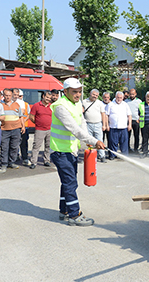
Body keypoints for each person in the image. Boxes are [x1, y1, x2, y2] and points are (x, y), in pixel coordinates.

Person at [50, 78, 105, 226]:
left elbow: (82, 123)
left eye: (80, 91)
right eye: (74, 91)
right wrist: (95, 141)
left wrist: (88, 140)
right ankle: (75, 215)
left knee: (67, 182)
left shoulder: (77, 103)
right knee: (70, 182)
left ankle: (64, 211)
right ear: (65, 91)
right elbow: (74, 129)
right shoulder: (60, 107)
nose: (78, 94)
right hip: (60, 151)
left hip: (70, 151)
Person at [0, 88, 24, 171]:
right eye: (6, 95)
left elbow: (21, 117)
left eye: (9, 95)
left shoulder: (16, 104)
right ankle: (4, 163)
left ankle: (11, 162)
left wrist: (23, 126)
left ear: (12, 96)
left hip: (16, 129)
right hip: (4, 129)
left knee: (14, 147)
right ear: (3, 96)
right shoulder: (0, 105)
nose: (8, 97)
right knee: (4, 147)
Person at [82, 89, 107, 163]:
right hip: (88, 124)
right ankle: (91, 155)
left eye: (96, 95)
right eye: (93, 95)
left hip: (98, 124)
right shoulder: (84, 102)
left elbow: (103, 114)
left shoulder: (99, 103)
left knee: (99, 140)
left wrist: (104, 125)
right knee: (89, 141)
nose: (95, 96)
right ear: (90, 93)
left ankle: (102, 156)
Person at [29, 91, 53, 169]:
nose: (48, 99)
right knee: (36, 146)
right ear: (43, 96)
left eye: (49, 98)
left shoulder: (52, 106)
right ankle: (33, 162)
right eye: (47, 97)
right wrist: (38, 123)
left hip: (50, 129)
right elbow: (31, 116)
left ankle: (46, 161)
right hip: (40, 129)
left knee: (48, 146)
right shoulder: (36, 105)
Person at [106, 91, 132, 158]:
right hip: (113, 127)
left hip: (123, 127)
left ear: (123, 98)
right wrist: (106, 125)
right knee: (113, 143)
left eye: (120, 98)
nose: (119, 99)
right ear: (115, 97)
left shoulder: (125, 105)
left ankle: (124, 156)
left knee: (124, 143)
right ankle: (112, 155)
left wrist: (130, 125)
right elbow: (106, 115)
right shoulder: (110, 104)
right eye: (118, 97)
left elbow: (129, 115)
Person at [14, 89, 32, 165]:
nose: (19, 97)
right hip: (16, 126)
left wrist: (24, 121)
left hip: (25, 126)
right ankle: (16, 156)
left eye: (20, 96)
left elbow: (29, 114)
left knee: (24, 143)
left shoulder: (26, 104)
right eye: (18, 96)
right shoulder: (13, 104)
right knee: (15, 143)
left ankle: (25, 157)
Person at [125, 88, 142, 153]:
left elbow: (141, 111)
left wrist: (139, 118)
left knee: (136, 135)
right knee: (127, 136)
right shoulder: (126, 101)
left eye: (133, 94)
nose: (132, 95)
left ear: (135, 94)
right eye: (130, 94)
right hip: (128, 121)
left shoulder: (139, 101)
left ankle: (136, 149)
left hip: (136, 120)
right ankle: (128, 148)